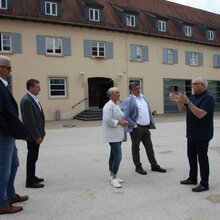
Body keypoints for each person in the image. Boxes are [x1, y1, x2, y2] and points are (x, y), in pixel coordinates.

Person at [170, 77, 214, 192]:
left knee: (202, 158)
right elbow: (182, 110)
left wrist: (188, 102)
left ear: (203, 85)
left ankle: (204, 184)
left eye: (195, 84)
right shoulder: (193, 97)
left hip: (203, 134)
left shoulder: (208, 98)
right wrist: (179, 102)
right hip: (191, 133)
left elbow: (200, 114)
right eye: (192, 84)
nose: (193, 86)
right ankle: (192, 178)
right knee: (191, 156)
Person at [0, 55, 28, 215]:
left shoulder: (3, 85)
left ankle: (10, 195)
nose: (10, 71)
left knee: (13, 164)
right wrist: (9, 131)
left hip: (8, 135)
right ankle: (2, 203)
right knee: (3, 169)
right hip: (4, 135)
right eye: (7, 68)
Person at [123, 82, 166, 175]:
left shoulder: (144, 98)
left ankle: (154, 165)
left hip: (146, 128)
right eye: (136, 89)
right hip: (136, 129)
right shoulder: (128, 100)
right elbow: (125, 116)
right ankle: (138, 167)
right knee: (136, 148)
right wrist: (134, 126)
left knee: (149, 147)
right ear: (131, 90)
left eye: (139, 88)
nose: (138, 90)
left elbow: (147, 112)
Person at [20, 79, 46, 188]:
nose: (39, 88)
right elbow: (30, 121)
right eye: (37, 86)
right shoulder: (27, 100)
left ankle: (32, 176)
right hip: (32, 136)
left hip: (37, 134)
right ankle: (29, 181)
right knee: (32, 157)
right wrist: (37, 136)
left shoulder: (33, 99)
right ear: (30, 87)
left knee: (34, 157)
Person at [102, 87, 128, 188]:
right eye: (116, 93)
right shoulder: (108, 106)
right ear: (111, 94)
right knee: (118, 156)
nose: (119, 94)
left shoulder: (115, 105)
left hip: (118, 134)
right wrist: (120, 122)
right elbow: (107, 120)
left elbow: (119, 116)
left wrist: (124, 121)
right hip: (112, 135)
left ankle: (112, 175)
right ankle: (114, 177)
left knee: (113, 155)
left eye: (119, 92)